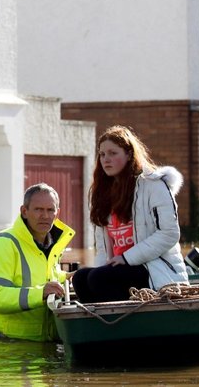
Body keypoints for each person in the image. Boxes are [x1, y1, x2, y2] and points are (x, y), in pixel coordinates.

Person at [70, 125, 188, 303]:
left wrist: (126, 258)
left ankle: (124, 326)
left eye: (113, 153)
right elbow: (103, 248)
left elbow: (169, 234)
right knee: (81, 278)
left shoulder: (153, 185)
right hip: (120, 270)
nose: (106, 160)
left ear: (129, 154)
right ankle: (102, 326)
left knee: (98, 278)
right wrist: (101, 269)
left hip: (154, 269)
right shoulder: (103, 194)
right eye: (102, 154)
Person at [0, 183, 75, 342]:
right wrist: (41, 293)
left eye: (50, 210)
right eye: (38, 209)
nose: (45, 215)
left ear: (57, 214)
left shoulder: (50, 244)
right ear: (24, 211)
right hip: (2, 346)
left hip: (34, 344)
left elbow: (42, 276)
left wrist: (67, 277)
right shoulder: (4, 243)